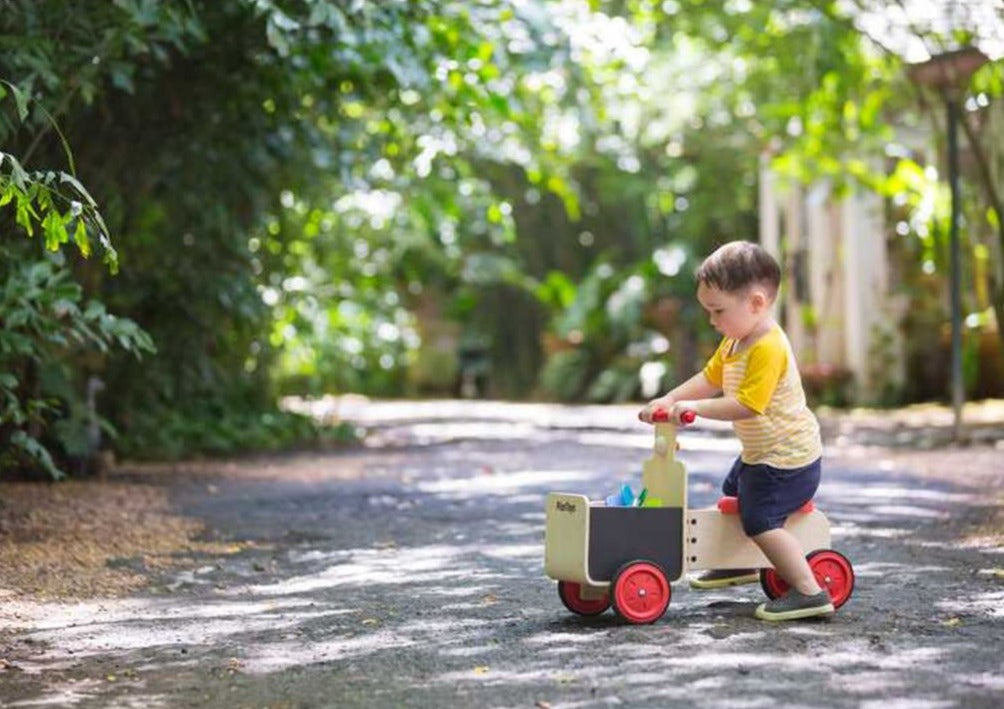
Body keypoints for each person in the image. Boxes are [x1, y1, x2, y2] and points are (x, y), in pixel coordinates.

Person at [638, 240, 833, 621]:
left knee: (759, 518)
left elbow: (746, 403)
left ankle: (810, 591)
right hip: (761, 456)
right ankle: (737, 561)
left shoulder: (768, 348)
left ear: (756, 303)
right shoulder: (734, 342)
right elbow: (710, 378)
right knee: (732, 494)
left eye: (718, 310)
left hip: (788, 461)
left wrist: (693, 409)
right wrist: (668, 399)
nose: (713, 320)